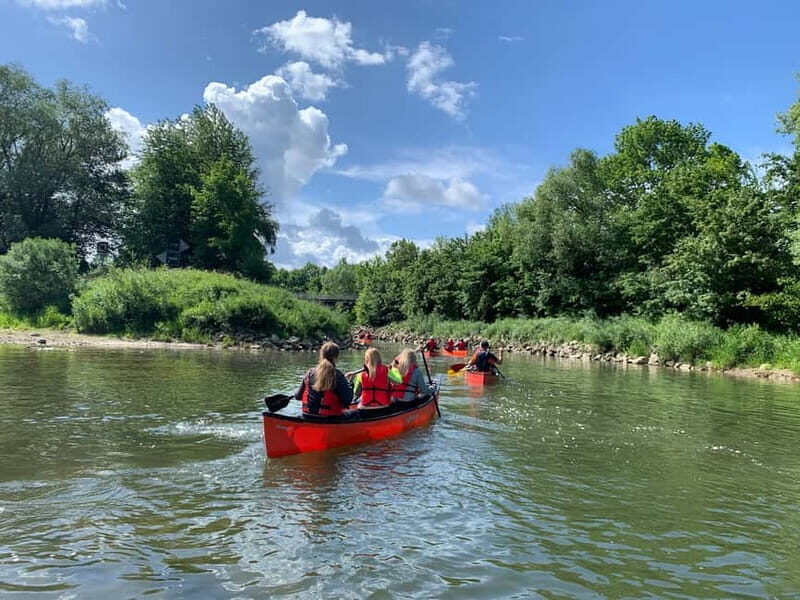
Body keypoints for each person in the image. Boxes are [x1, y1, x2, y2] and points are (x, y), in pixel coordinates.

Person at [294, 342, 354, 418]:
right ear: (336, 357)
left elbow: (297, 396)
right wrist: (349, 382)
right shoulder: (338, 375)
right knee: (356, 414)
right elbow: (347, 400)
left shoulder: (309, 373)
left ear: (321, 355)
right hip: (330, 418)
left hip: (307, 416)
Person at [352, 348, 400, 415]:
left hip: (364, 409)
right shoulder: (387, 371)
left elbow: (356, 393)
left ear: (366, 359)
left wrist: (352, 381)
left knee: (357, 400)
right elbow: (398, 382)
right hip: (383, 407)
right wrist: (395, 369)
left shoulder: (360, 374)